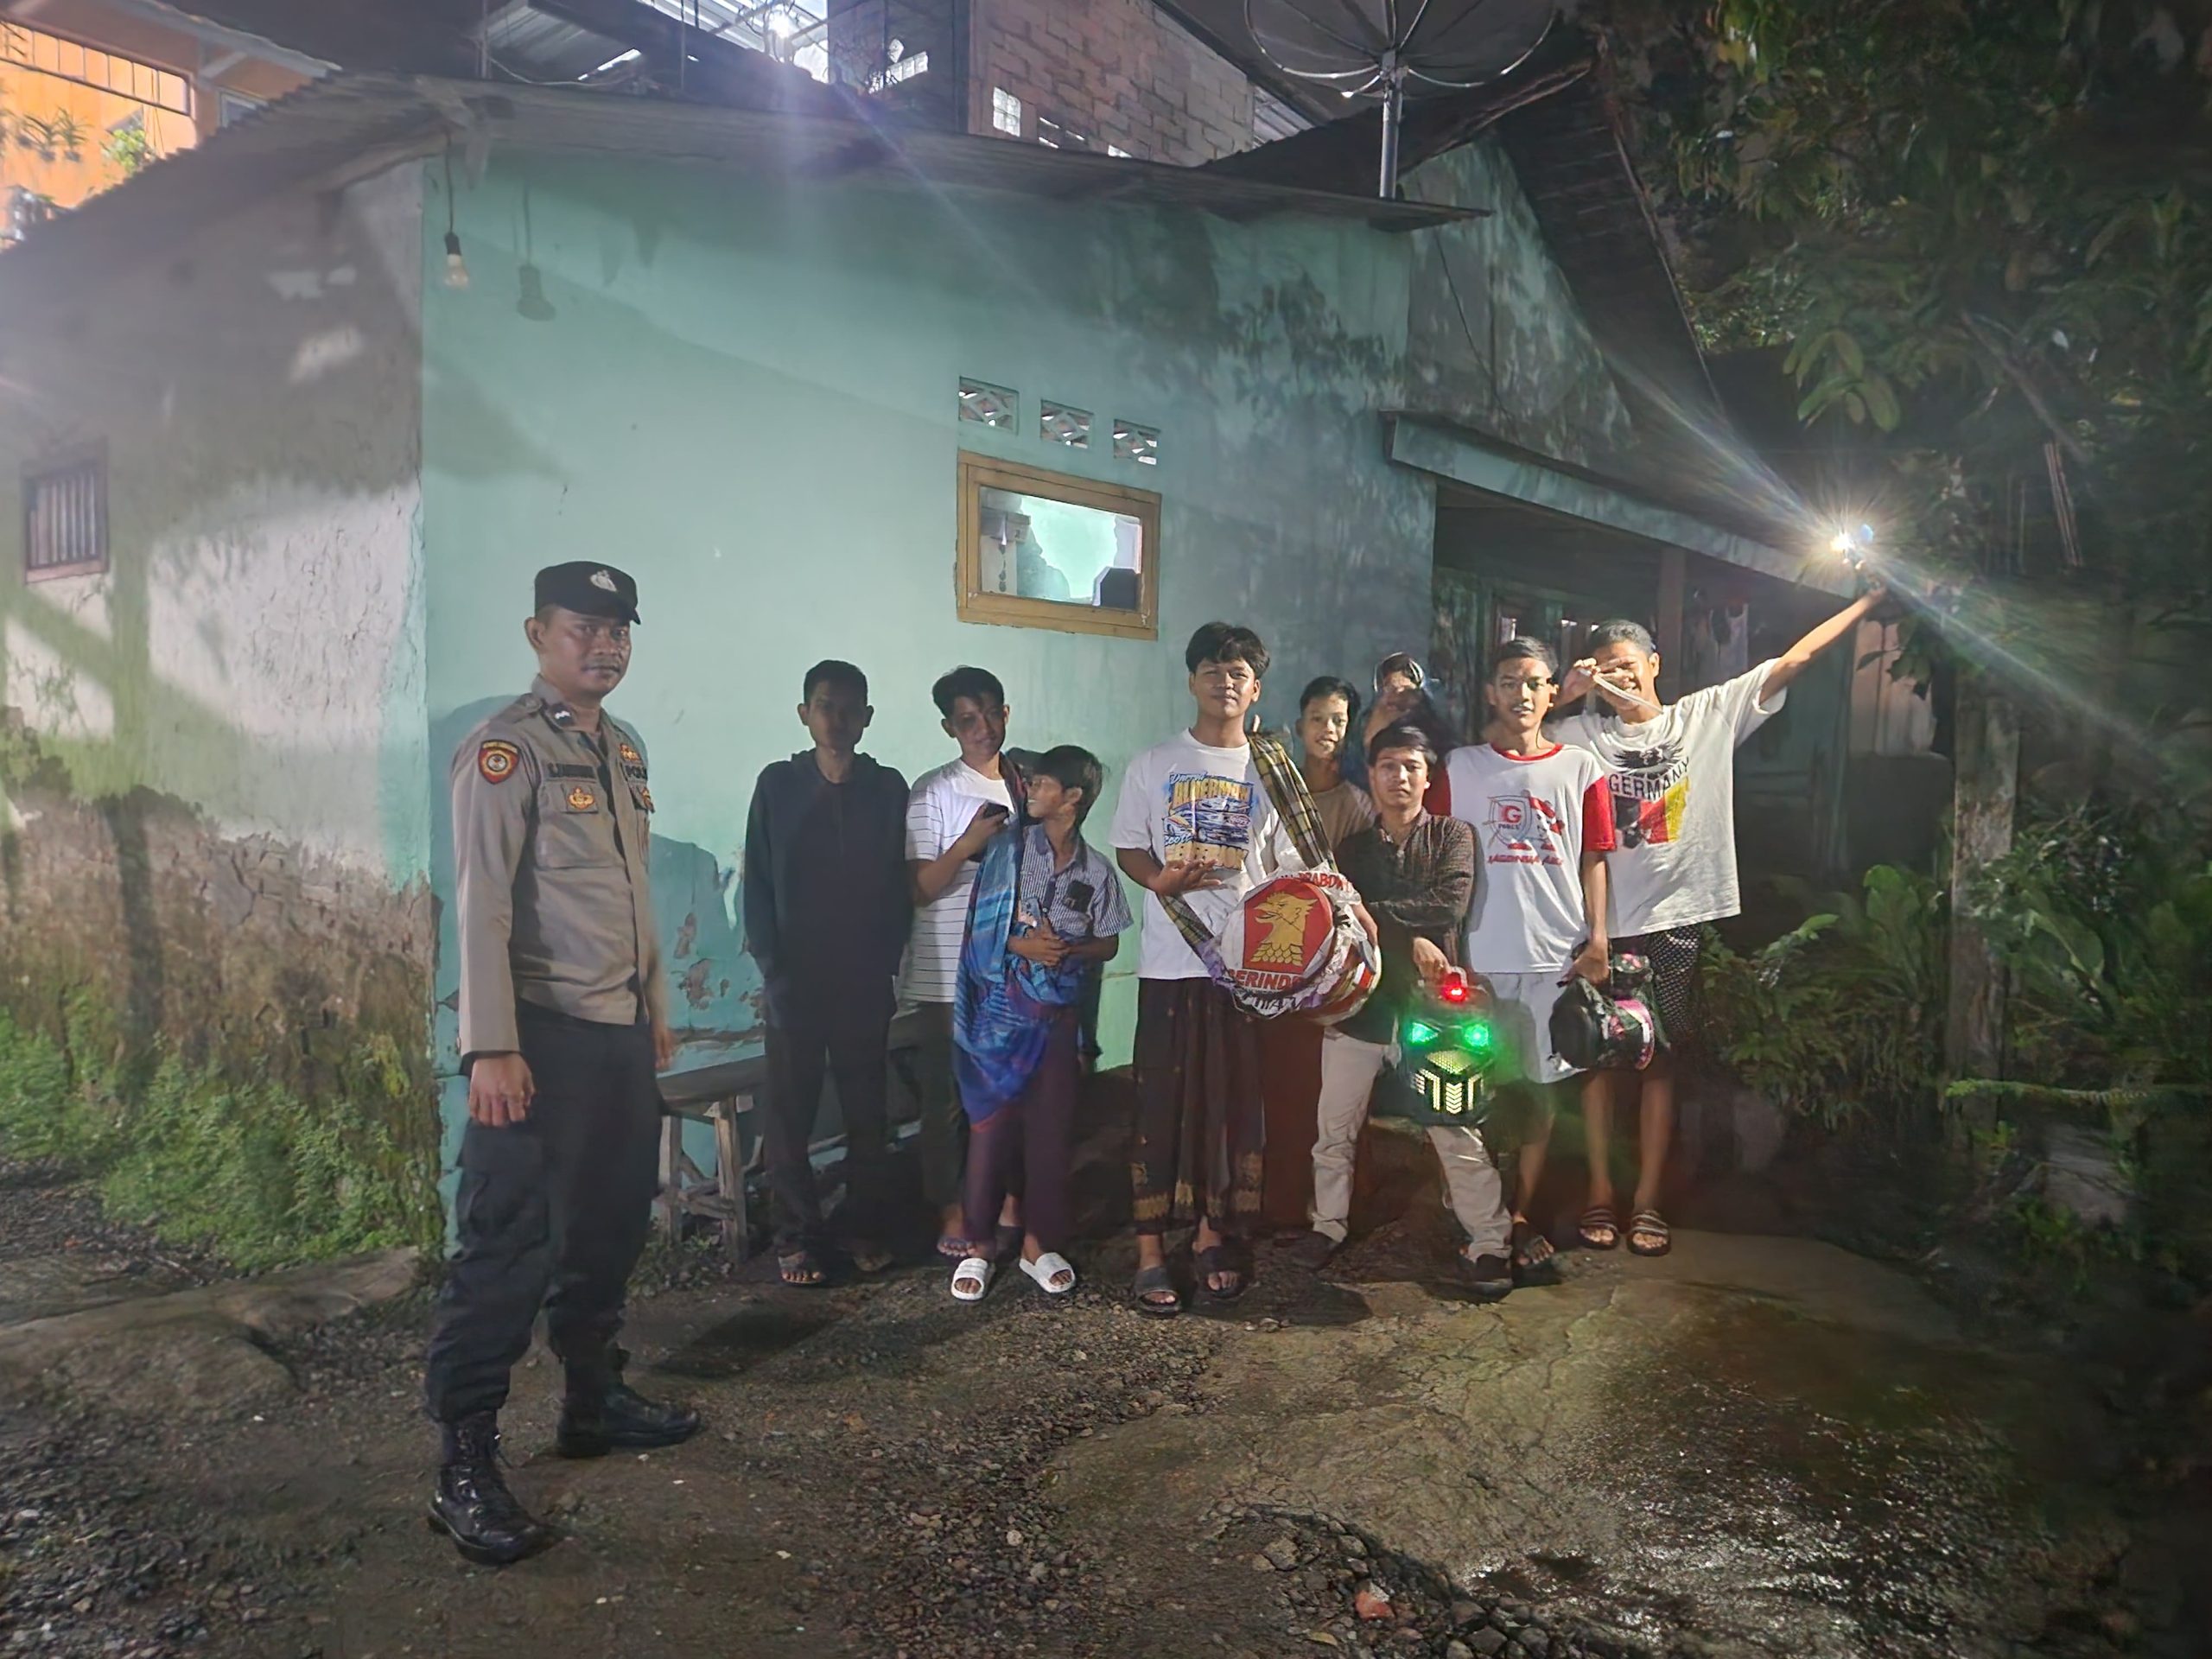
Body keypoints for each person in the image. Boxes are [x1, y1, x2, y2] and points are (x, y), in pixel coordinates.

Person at [424, 561, 700, 1568]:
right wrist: (491, 1045)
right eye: (584, 627)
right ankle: (463, 1463)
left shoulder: (621, 748)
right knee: (507, 1246)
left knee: (609, 1226)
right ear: (539, 634)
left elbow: (630, 892)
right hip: (535, 1040)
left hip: (617, 1036)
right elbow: (482, 902)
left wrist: (654, 1013)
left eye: (618, 630)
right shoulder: (506, 750)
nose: (605, 645)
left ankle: (593, 1399)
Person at [1553, 588, 1887, 1258]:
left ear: (1654, 663)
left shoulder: (1704, 716)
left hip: (1677, 920)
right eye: (1605, 669)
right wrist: (1565, 695)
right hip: (1602, 923)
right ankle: (1599, 1192)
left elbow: (1796, 660)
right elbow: (1513, 732)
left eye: (1627, 666)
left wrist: (1869, 600)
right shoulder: (1580, 734)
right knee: (1596, 1058)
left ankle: (1648, 1201)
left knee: (1661, 1061)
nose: (1619, 679)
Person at [1110, 620, 1302, 1315]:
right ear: (1192, 680)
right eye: (1213, 671)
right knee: (1160, 1107)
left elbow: (1294, 866)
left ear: (1257, 689)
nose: (1226, 683)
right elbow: (1130, 847)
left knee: (1227, 1108)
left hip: (1242, 968)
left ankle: (1213, 1236)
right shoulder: (1154, 762)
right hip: (1171, 961)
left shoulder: (1271, 771)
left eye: (1239, 673)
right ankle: (1150, 1251)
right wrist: (1158, 880)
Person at [1287, 724, 1516, 1290]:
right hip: (1360, 1006)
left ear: (1428, 776)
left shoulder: (1452, 836)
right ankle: (1327, 1225)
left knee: (1455, 1129)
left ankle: (1490, 1243)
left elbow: (1448, 904)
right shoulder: (1354, 849)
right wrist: (1403, 932)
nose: (1400, 778)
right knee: (1334, 1128)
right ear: (1371, 775)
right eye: (1388, 766)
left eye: (1412, 767)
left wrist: (1378, 916)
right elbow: (1341, 915)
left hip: (1435, 1011)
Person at [1438, 637, 1614, 1281]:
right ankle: (1477, 1213)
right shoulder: (1459, 768)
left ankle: (1518, 1214)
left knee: (1539, 1092)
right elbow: (1437, 852)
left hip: (1553, 956)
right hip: (1479, 956)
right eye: (1510, 681)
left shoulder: (1581, 768)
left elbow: (1594, 856)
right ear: (1491, 692)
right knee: (1474, 1089)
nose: (1522, 694)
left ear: (1552, 693)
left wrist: (1598, 939)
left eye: (1535, 682)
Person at [741, 660, 912, 1287]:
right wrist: (773, 968)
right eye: (823, 706)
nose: (836, 720)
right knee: (791, 1116)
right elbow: (757, 882)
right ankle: (797, 1238)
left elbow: (899, 880)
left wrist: (888, 957)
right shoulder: (778, 786)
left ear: (867, 718)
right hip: (796, 981)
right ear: (803, 714)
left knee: (868, 1112)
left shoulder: (887, 789)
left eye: (848, 709)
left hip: (864, 978)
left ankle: (864, 1227)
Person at [948, 745, 1131, 1302]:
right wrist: (1023, 945)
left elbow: (1109, 942)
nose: (1030, 790)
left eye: (1044, 783)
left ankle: (1038, 1244)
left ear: (1071, 798)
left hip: (1056, 1019)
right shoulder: (1006, 850)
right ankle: (980, 1245)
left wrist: (1068, 951)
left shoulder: (1097, 871)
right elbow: (979, 927)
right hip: (998, 1018)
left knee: (1051, 1134)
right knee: (990, 1130)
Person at [904, 666, 1020, 1260]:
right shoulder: (933, 792)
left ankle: (1001, 1197)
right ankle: (951, 1207)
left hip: (1009, 969)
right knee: (948, 1098)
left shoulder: (1025, 786)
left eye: (991, 713)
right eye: (967, 720)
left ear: (1006, 713)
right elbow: (920, 888)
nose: (982, 728)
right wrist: (969, 846)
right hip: (947, 972)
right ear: (949, 727)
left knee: (1004, 1091)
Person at [1357, 651, 1454, 810]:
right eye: (1390, 689)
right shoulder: (1368, 725)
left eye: (1407, 691)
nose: (1398, 697)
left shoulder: (1437, 734)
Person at [1291, 676, 1376, 854]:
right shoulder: (1280, 791)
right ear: (1300, 727)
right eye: (1317, 719)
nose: (1328, 728)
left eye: (1338, 721)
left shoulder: (1358, 807)